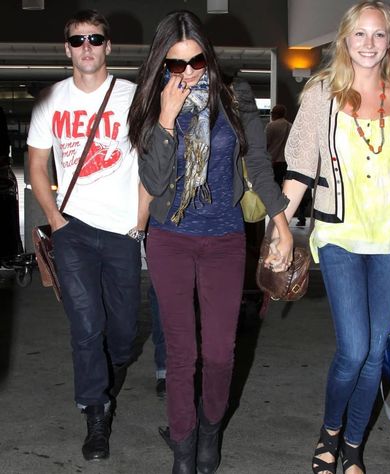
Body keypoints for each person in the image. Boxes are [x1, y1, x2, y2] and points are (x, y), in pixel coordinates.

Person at [279, 2, 390, 473]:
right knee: (354, 348)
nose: (369, 44)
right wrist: (280, 228)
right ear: (345, 40)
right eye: (360, 34)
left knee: (376, 352)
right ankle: (329, 431)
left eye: (378, 35)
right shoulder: (320, 92)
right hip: (340, 235)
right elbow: (300, 166)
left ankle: (352, 446)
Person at [128, 10, 293, 474]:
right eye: (176, 65)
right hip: (170, 240)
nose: (188, 73)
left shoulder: (235, 96)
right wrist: (165, 117)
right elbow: (154, 181)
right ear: (162, 64)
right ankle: (183, 446)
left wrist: (281, 224)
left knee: (220, 353)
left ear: (210, 55)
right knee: (182, 354)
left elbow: (258, 165)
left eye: (196, 61)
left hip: (223, 238)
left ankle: (210, 430)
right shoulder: (150, 103)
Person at [28, 9, 148, 462]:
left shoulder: (133, 98)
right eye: (78, 41)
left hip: (121, 232)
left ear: (108, 47)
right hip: (72, 231)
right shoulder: (50, 99)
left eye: (95, 40)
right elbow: (37, 165)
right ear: (67, 49)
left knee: (120, 333)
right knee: (85, 327)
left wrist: (140, 218)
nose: (87, 48)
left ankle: (111, 366)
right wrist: (54, 218)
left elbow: (150, 165)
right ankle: (95, 412)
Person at [265, 104, 292, 188]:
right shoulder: (290, 126)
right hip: (286, 161)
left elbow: (265, 143)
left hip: (273, 161)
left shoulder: (271, 126)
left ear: (274, 114)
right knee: (282, 184)